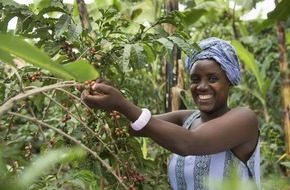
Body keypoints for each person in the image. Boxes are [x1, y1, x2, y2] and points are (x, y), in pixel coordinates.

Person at [81, 37, 260, 189]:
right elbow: (133, 127)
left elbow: (189, 143)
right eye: (195, 79)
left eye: (213, 78)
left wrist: (121, 104)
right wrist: (107, 96)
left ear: (229, 81)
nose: (202, 86)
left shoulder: (244, 119)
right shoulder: (186, 119)